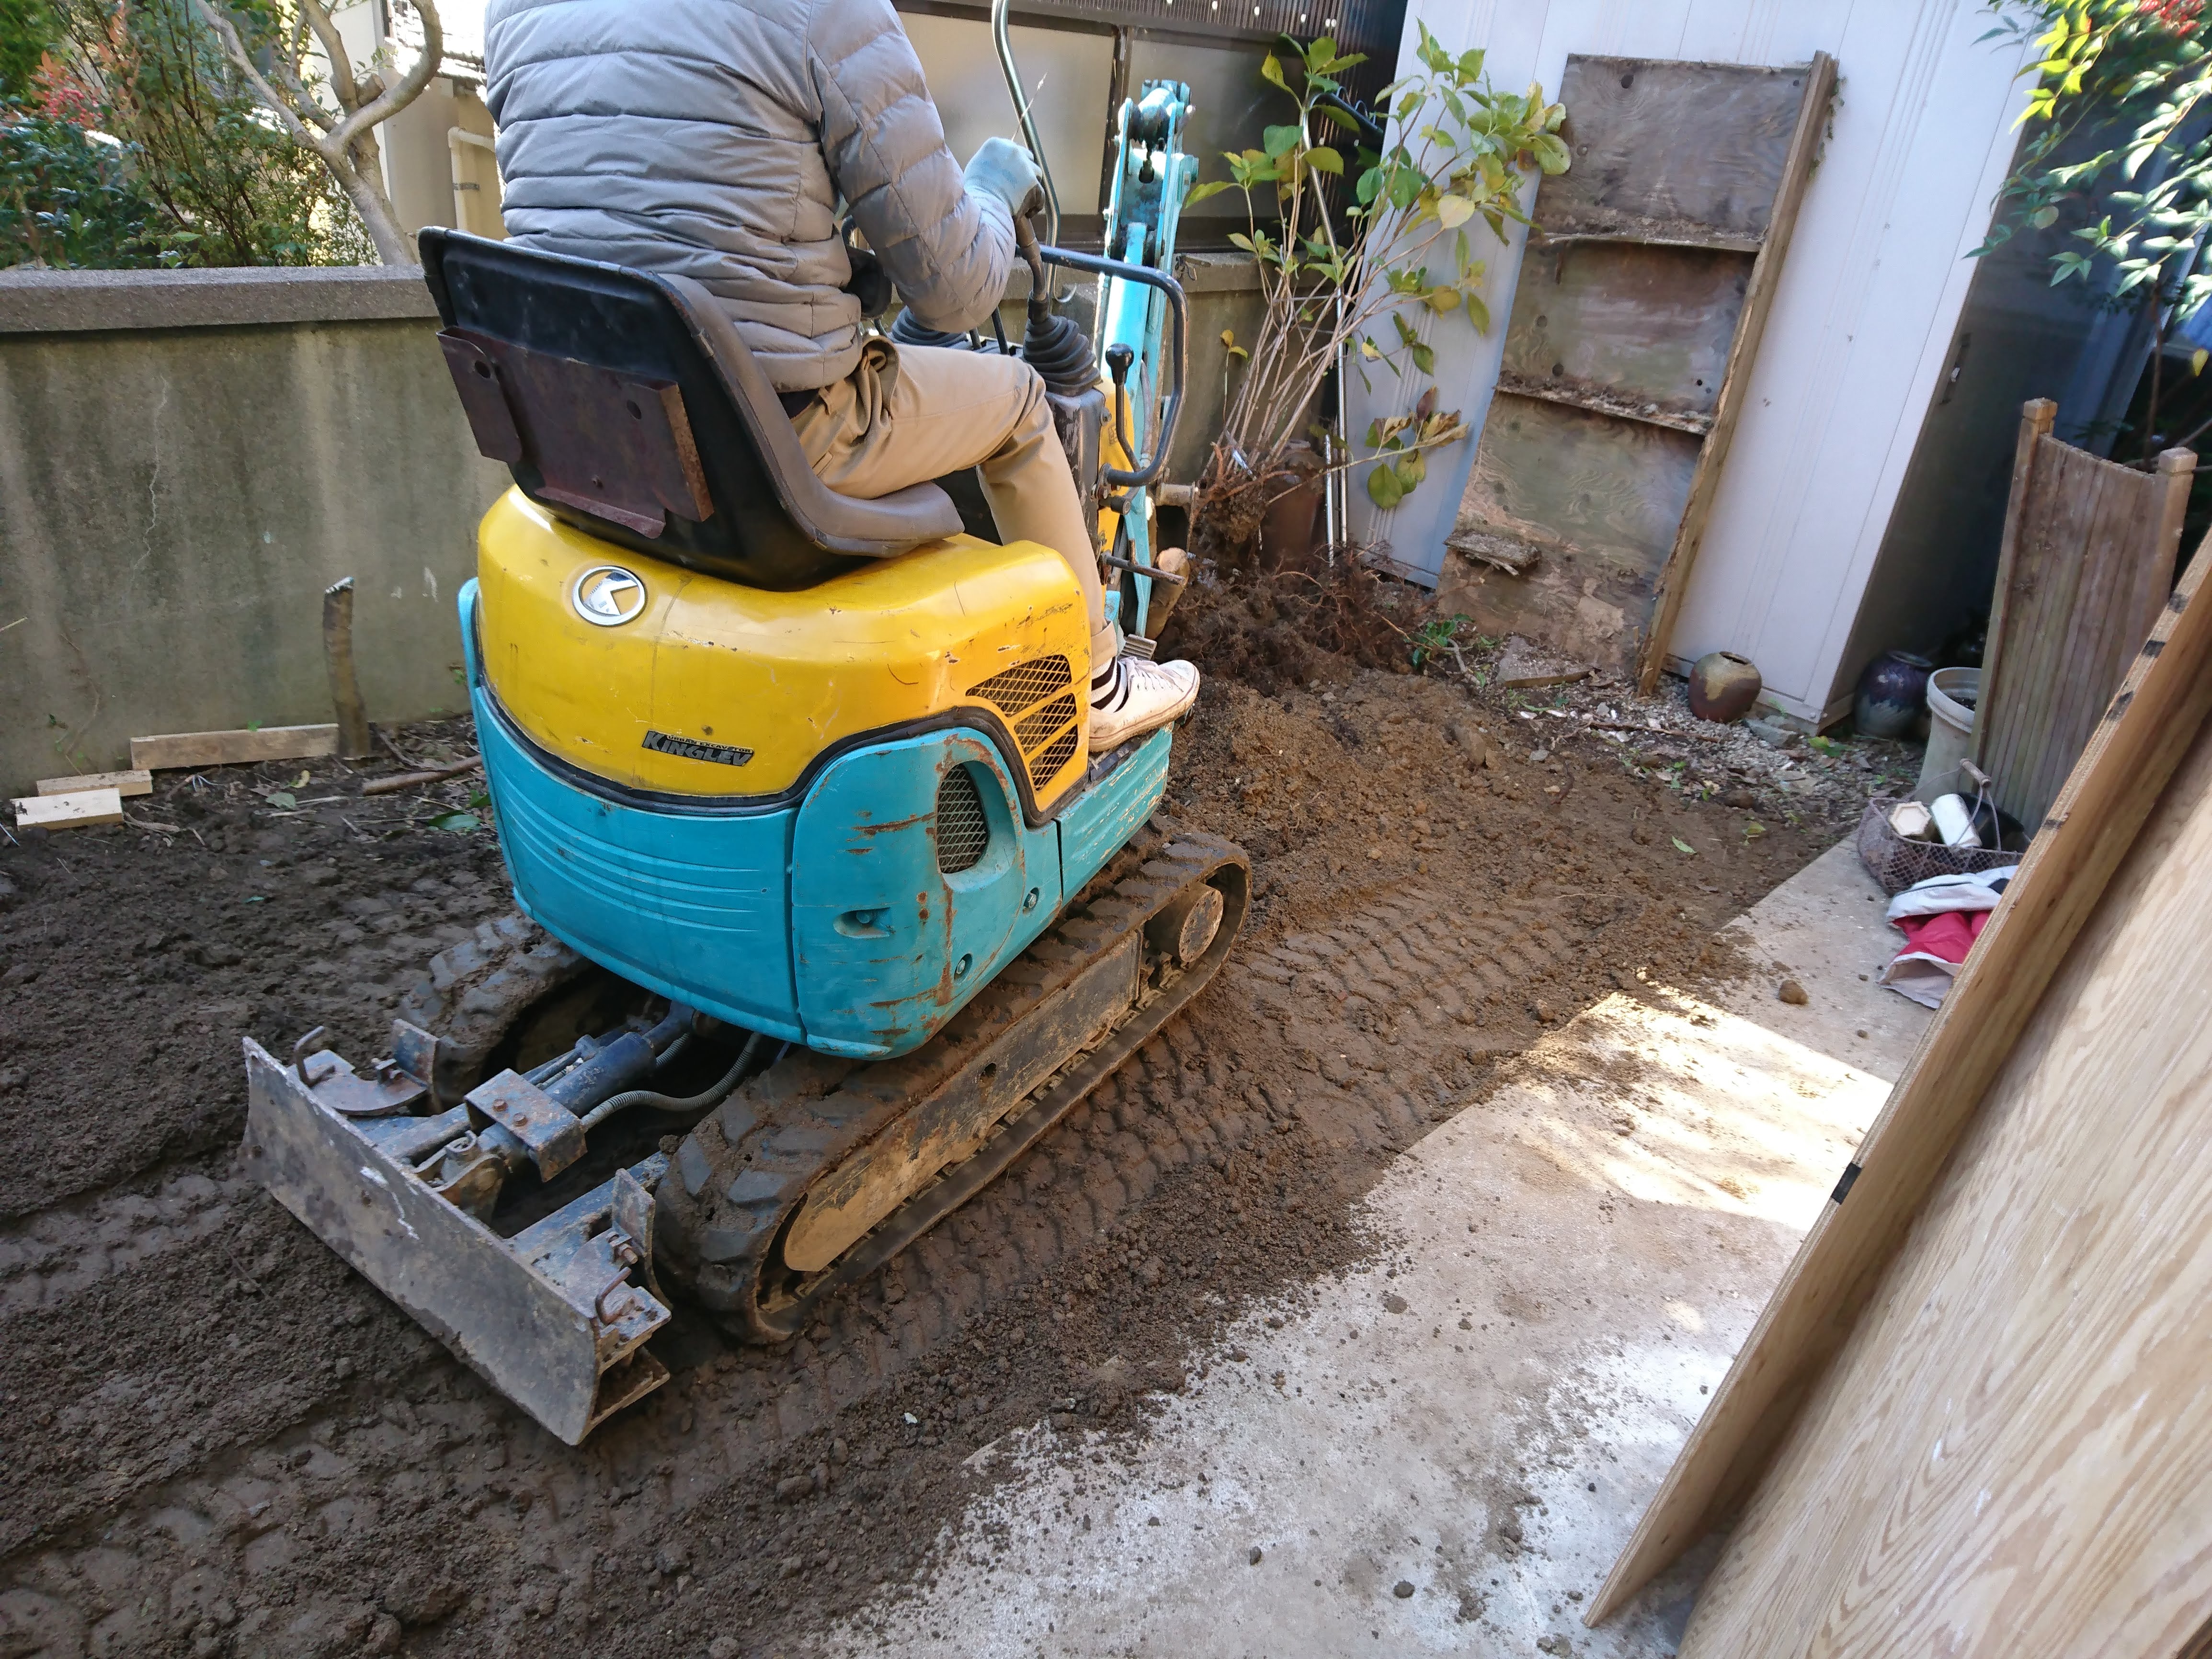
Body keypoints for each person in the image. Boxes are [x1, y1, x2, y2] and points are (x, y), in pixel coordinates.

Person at [482, 0, 1199, 750]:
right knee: (1019, 398)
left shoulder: (515, 11)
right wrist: (988, 188)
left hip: (581, 432)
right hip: (770, 445)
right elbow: (956, 293)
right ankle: (1098, 687)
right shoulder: (823, 10)